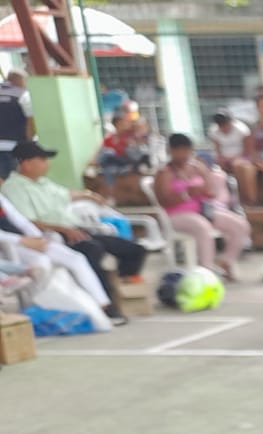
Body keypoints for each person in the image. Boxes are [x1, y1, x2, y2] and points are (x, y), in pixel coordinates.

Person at [2, 140, 148, 300]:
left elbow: (66, 194)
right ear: (27, 164)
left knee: (135, 249)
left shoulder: (43, 182)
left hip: (74, 228)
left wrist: (89, 195)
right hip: (55, 234)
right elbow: (28, 221)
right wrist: (63, 230)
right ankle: (103, 298)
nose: (47, 164)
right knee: (93, 249)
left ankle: (122, 286)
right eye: (42, 160)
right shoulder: (14, 188)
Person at [0, 193, 125, 325]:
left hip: (27, 241)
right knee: (42, 263)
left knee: (76, 259)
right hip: (9, 245)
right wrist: (22, 240)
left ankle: (103, 306)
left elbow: (21, 221)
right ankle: (34, 312)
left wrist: (38, 238)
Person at [154, 134, 252, 281]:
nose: (183, 155)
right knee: (203, 227)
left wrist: (204, 190)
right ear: (171, 151)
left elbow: (212, 192)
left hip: (202, 210)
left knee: (240, 225)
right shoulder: (164, 172)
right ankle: (207, 271)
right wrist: (186, 194)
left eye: (186, 150)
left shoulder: (197, 167)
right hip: (176, 215)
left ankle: (227, 261)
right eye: (179, 151)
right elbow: (163, 200)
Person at [0, 71, 31, 179]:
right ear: (19, 80)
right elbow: (30, 121)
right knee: (14, 180)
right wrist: (29, 143)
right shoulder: (23, 94)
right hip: (15, 146)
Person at [99, 112, 151, 177]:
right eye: (121, 123)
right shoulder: (109, 139)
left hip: (131, 162)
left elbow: (141, 136)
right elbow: (101, 153)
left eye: (124, 123)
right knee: (107, 155)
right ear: (116, 125)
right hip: (118, 163)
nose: (124, 125)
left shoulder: (131, 135)